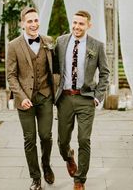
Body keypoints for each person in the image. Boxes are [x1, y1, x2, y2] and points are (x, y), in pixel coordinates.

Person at [54, 10, 109, 190]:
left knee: (84, 139)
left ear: (88, 25)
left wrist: (98, 97)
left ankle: (80, 179)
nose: (77, 27)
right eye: (75, 23)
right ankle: (68, 156)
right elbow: (54, 68)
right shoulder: (61, 42)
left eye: (81, 24)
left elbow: (105, 74)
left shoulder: (97, 46)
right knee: (62, 141)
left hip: (86, 99)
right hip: (65, 98)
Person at [7, 7, 56, 190]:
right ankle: (35, 178)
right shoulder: (13, 45)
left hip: (45, 97)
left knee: (46, 136)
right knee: (30, 140)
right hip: (25, 100)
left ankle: (46, 165)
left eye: (36, 20)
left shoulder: (48, 41)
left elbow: (55, 69)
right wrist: (20, 96)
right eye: (29, 21)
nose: (34, 24)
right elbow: (11, 76)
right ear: (22, 24)